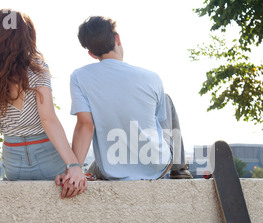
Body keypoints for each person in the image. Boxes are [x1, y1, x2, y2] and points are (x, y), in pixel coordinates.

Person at [57, 16, 192, 198]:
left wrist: (74, 168)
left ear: (91, 53)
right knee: (165, 99)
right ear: (117, 39)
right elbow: (159, 126)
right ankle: (179, 168)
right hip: (156, 166)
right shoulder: (152, 77)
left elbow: (85, 125)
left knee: (103, 158)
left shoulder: (79, 77)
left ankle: (89, 170)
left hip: (112, 169)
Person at [0, 9, 86, 198]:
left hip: (14, 162)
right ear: (27, 36)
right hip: (47, 155)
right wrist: (74, 165)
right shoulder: (36, 68)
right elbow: (48, 119)